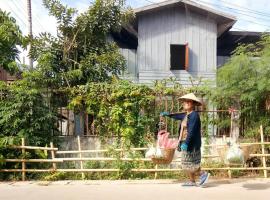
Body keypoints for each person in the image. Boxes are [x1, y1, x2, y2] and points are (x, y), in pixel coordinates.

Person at [160, 93, 210, 187]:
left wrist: (186, 143)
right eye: (184, 102)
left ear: (193, 104)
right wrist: (168, 115)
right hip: (184, 142)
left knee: (192, 163)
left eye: (188, 102)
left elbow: (191, 131)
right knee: (187, 162)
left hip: (191, 143)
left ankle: (203, 174)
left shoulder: (194, 115)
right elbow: (176, 116)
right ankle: (192, 181)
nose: (185, 103)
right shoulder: (186, 115)